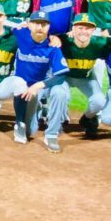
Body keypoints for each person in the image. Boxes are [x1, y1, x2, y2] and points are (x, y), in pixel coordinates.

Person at [8, 11, 71, 152]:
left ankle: (52, 134)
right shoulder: (21, 33)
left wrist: (38, 85)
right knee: (30, 131)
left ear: (49, 27)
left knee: (60, 92)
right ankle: (31, 115)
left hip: (42, 86)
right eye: (36, 23)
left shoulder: (53, 46)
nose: (40, 27)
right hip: (26, 88)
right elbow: (1, 24)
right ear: (29, 24)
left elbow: (60, 76)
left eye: (44, 24)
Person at [59, 13, 111, 139]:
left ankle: (88, 119)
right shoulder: (64, 40)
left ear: (93, 30)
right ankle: (58, 119)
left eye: (88, 28)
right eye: (80, 28)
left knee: (99, 101)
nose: (84, 31)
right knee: (60, 94)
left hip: (86, 78)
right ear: (73, 28)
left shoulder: (100, 43)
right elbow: (44, 38)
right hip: (64, 78)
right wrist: (55, 37)